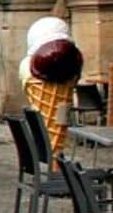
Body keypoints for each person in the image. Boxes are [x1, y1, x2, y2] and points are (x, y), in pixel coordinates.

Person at [22, 16, 85, 161]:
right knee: (57, 127)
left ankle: (54, 162)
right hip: (63, 103)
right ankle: (55, 162)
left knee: (54, 127)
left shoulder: (26, 66)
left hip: (58, 102)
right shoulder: (72, 57)